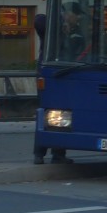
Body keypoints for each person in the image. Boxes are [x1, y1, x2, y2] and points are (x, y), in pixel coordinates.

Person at [32, 13, 70, 165]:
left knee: (52, 115)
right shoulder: (54, 31)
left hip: (54, 74)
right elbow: (39, 20)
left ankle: (43, 153)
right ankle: (54, 153)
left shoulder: (50, 32)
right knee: (55, 114)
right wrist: (60, 24)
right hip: (55, 75)